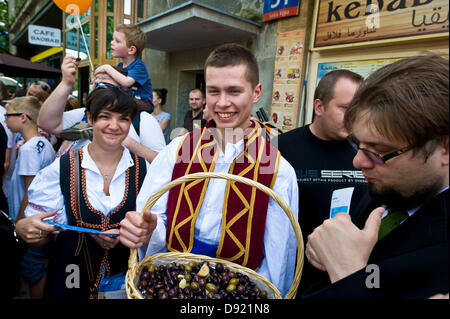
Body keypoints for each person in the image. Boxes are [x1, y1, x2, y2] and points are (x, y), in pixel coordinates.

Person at [119, 43, 298, 297]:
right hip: (177, 281)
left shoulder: (277, 169)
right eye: (214, 91)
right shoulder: (178, 149)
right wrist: (149, 229)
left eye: (234, 91)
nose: (223, 103)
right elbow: (155, 217)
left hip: (235, 290)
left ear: (256, 92)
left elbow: (279, 255)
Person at [304, 55, 449, 299]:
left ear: (444, 149)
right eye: (357, 144)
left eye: (379, 151)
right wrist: (325, 249)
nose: (358, 162)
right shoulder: (389, 186)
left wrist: (349, 275)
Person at [15, 86, 147, 299]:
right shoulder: (63, 167)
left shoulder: (143, 169)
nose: (114, 126)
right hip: (71, 272)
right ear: (89, 118)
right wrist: (25, 229)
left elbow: (153, 228)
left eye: (123, 118)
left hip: (123, 276)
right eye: (105, 116)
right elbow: (39, 235)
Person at [276, 69, 366, 295]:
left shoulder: (369, 152)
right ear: (319, 107)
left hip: (349, 277)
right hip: (292, 277)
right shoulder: (279, 148)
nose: (354, 118)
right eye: (345, 109)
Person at [38, 56, 165, 163]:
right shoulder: (84, 114)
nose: (98, 81)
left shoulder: (141, 119)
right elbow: (46, 123)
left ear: (122, 84)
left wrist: (121, 137)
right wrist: (66, 83)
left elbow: (161, 162)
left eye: (105, 77)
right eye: (95, 79)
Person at [4, 96, 55, 299]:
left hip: (31, 222)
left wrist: (20, 222)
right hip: (42, 220)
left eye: (8, 115)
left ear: (23, 117)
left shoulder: (28, 149)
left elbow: (30, 190)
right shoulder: (43, 143)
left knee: (33, 271)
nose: (6, 120)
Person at [94, 23, 153, 113]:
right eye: (113, 39)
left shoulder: (139, 65)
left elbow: (126, 82)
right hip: (129, 101)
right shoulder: (120, 67)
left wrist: (107, 68)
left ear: (131, 50)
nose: (111, 42)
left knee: (117, 101)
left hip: (143, 104)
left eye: (117, 41)